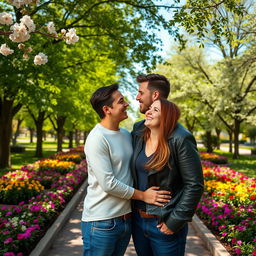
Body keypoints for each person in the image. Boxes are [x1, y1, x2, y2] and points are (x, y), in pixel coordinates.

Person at [81, 83, 171, 256]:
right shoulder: (97, 138)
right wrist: (143, 195)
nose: (127, 103)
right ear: (107, 109)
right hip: (101, 222)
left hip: (125, 220)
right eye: (121, 101)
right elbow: (108, 183)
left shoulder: (125, 134)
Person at [131, 74, 204, 256]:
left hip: (164, 222)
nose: (137, 97)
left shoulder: (180, 137)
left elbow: (194, 184)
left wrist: (175, 221)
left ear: (155, 95)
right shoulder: (139, 130)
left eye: (140, 92)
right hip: (138, 222)